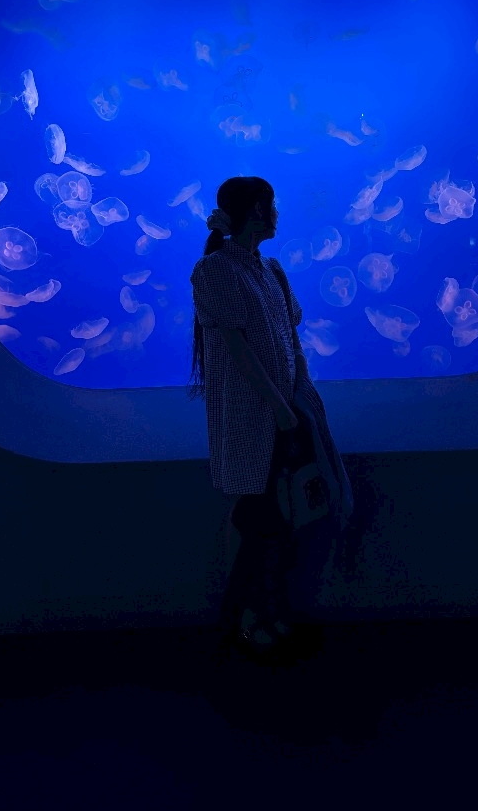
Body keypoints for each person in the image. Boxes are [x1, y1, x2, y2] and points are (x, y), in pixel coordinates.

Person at [188, 176, 315, 653]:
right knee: (260, 514)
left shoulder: (271, 269)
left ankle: (258, 611)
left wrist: (301, 396)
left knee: (271, 515)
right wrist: (280, 407)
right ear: (258, 210)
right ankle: (244, 617)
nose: (276, 212)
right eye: (271, 204)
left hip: (286, 410)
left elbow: (290, 337)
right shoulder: (215, 270)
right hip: (250, 413)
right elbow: (237, 350)